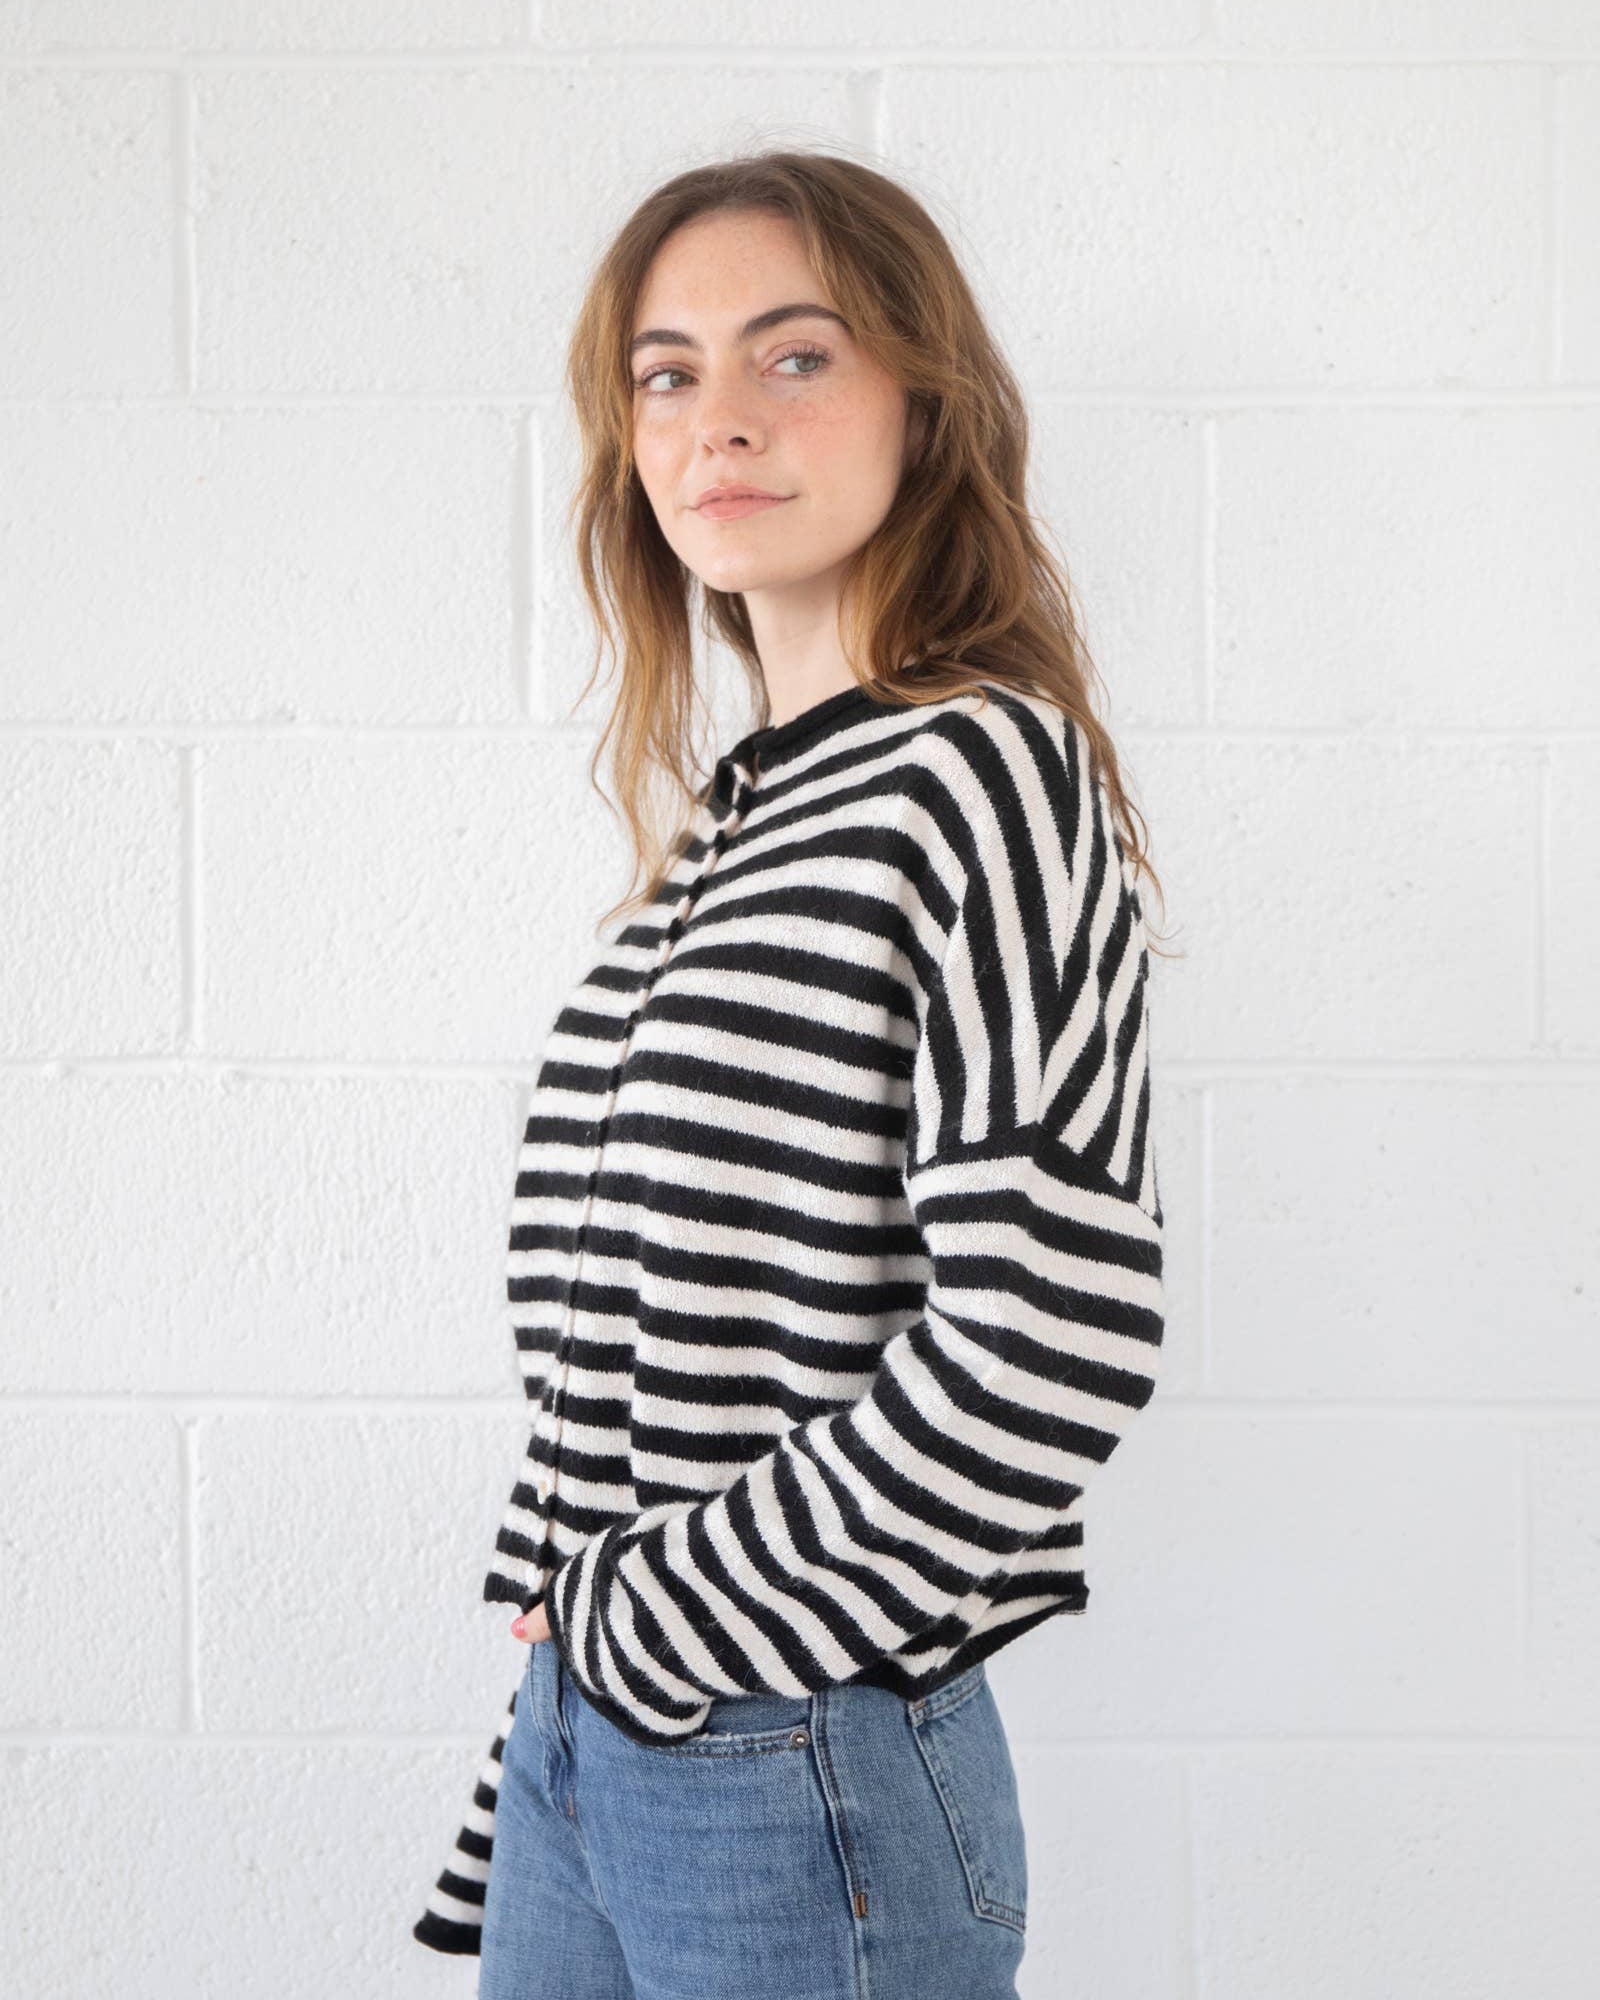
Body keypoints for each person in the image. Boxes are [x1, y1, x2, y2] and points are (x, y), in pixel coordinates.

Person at [413, 147, 1171, 1999]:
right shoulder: (729, 830)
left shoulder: (974, 771)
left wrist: (658, 1617)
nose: (718, 420)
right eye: (667, 374)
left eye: (795, 356)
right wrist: (571, 1634)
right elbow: (646, 1331)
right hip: (599, 1741)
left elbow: (1046, 1345)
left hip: (794, 1752)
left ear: (929, 401)